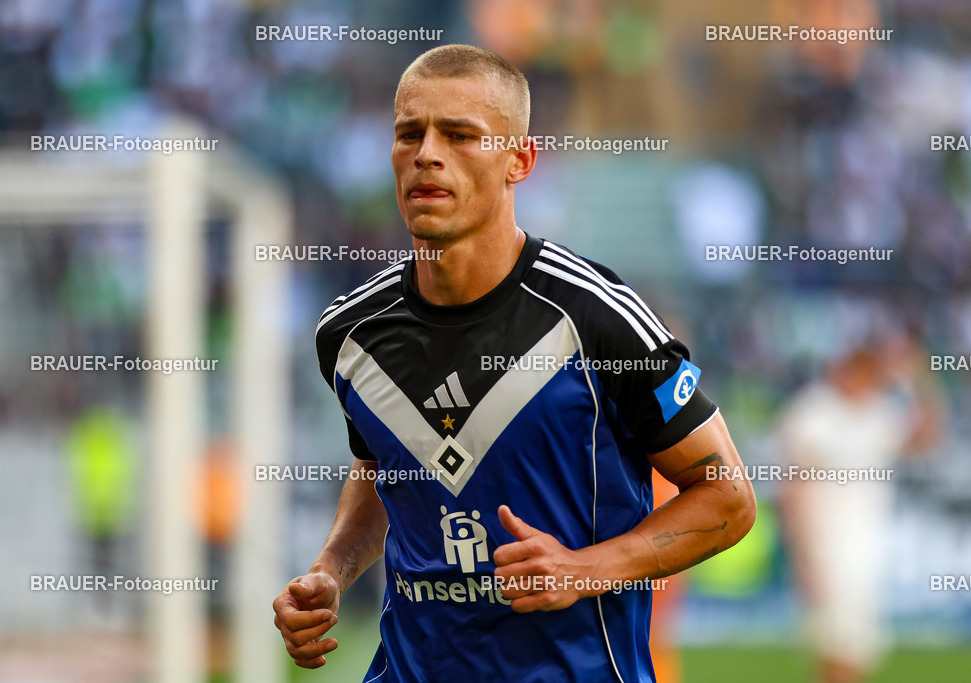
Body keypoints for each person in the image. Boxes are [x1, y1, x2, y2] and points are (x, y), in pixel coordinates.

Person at [273, 43, 756, 682]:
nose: (426, 154)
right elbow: (382, 467)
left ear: (520, 161)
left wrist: (583, 570)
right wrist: (331, 570)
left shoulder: (596, 318)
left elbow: (728, 498)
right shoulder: (350, 334)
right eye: (409, 133)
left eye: (460, 135)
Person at [778, 342, 941, 683]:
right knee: (836, 648)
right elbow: (792, 490)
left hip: (867, 549)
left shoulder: (879, 414)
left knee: (857, 650)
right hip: (825, 549)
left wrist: (921, 382)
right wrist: (801, 555)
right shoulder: (814, 413)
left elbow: (924, 439)